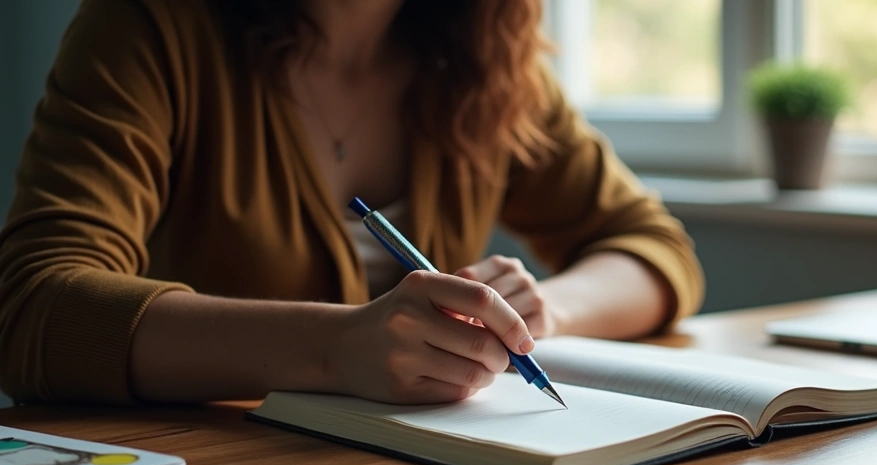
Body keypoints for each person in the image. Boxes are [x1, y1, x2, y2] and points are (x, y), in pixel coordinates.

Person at [0, 0, 704, 406]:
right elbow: (34, 306)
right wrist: (338, 348)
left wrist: (543, 313)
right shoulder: (152, 26)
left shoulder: (483, 59)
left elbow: (654, 248)